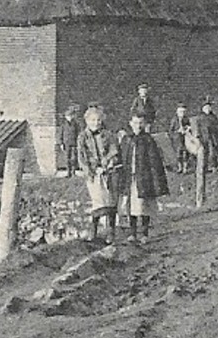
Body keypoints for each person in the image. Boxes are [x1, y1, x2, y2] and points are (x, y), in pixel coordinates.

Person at [119, 111, 169, 243]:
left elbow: (154, 161)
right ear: (130, 124)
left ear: (145, 124)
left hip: (144, 178)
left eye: (141, 123)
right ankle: (132, 233)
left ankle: (145, 233)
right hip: (131, 178)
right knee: (131, 206)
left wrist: (156, 180)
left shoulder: (148, 140)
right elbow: (122, 159)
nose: (138, 126)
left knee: (144, 206)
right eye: (135, 123)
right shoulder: (127, 140)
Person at [76, 105, 121, 243]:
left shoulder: (108, 135)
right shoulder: (82, 137)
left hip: (109, 172)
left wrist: (108, 163)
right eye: (93, 120)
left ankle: (110, 232)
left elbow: (114, 151)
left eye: (99, 120)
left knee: (111, 201)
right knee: (98, 201)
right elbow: (82, 157)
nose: (96, 123)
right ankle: (93, 231)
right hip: (93, 174)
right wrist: (92, 170)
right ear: (87, 121)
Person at [57, 104, 82, 177]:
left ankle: (73, 172)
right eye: (68, 116)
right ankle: (68, 172)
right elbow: (60, 134)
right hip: (66, 143)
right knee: (67, 158)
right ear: (66, 117)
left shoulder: (75, 124)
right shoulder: (63, 124)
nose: (69, 117)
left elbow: (78, 133)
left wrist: (78, 142)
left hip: (74, 143)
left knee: (74, 158)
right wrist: (61, 143)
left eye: (71, 116)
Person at [168, 103, 195, 174]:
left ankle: (185, 168)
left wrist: (188, 129)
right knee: (178, 154)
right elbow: (170, 131)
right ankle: (180, 167)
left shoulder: (186, 119)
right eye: (180, 112)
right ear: (177, 112)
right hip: (177, 139)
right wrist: (177, 132)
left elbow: (190, 127)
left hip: (185, 138)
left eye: (183, 112)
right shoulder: (174, 120)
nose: (182, 114)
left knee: (186, 153)